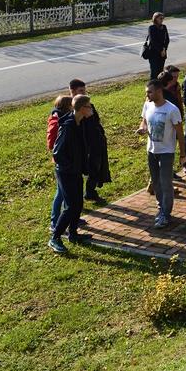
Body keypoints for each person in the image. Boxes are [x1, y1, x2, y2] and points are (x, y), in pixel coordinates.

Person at [49, 94, 94, 253]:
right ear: (81, 109)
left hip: (76, 171)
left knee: (78, 203)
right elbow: (57, 153)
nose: (91, 109)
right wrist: (70, 167)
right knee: (70, 206)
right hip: (66, 172)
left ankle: (73, 234)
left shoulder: (80, 123)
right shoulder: (68, 127)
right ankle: (55, 238)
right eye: (89, 106)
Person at [138, 79, 186, 228]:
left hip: (166, 152)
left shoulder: (172, 109)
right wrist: (143, 128)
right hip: (151, 150)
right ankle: (161, 208)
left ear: (159, 91)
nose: (147, 95)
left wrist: (183, 154)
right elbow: (144, 121)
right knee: (156, 182)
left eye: (149, 92)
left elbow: (180, 134)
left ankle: (166, 214)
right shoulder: (147, 105)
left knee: (166, 183)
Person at [69, 79, 110, 202]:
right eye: (81, 91)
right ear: (72, 91)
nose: (84, 93)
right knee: (83, 171)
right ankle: (76, 198)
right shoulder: (71, 108)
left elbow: (96, 121)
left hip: (95, 142)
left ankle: (90, 192)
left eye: (84, 91)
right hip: (84, 145)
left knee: (95, 167)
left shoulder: (88, 104)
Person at [46, 95, 73, 233]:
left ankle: (69, 216)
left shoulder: (62, 118)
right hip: (62, 161)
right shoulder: (59, 121)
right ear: (68, 106)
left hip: (68, 159)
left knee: (67, 191)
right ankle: (54, 221)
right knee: (61, 192)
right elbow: (53, 144)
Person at [164, 65, 186, 176]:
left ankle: (182, 165)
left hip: (177, 119)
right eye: (174, 77)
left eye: (177, 76)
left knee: (176, 145)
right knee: (168, 148)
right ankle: (169, 172)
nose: (176, 79)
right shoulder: (162, 90)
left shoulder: (177, 86)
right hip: (168, 123)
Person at [143, 12, 169, 80]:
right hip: (153, 53)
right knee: (154, 72)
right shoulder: (151, 28)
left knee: (160, 72)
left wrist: (164, 49)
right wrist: (161, 50)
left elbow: (167, 39)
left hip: (162, 53)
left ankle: (159, 85)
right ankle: (153, 85)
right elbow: (153, 41)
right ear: (155, 19)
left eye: (163, 18)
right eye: (160, 18)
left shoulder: (164, 27)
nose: (162, 20)